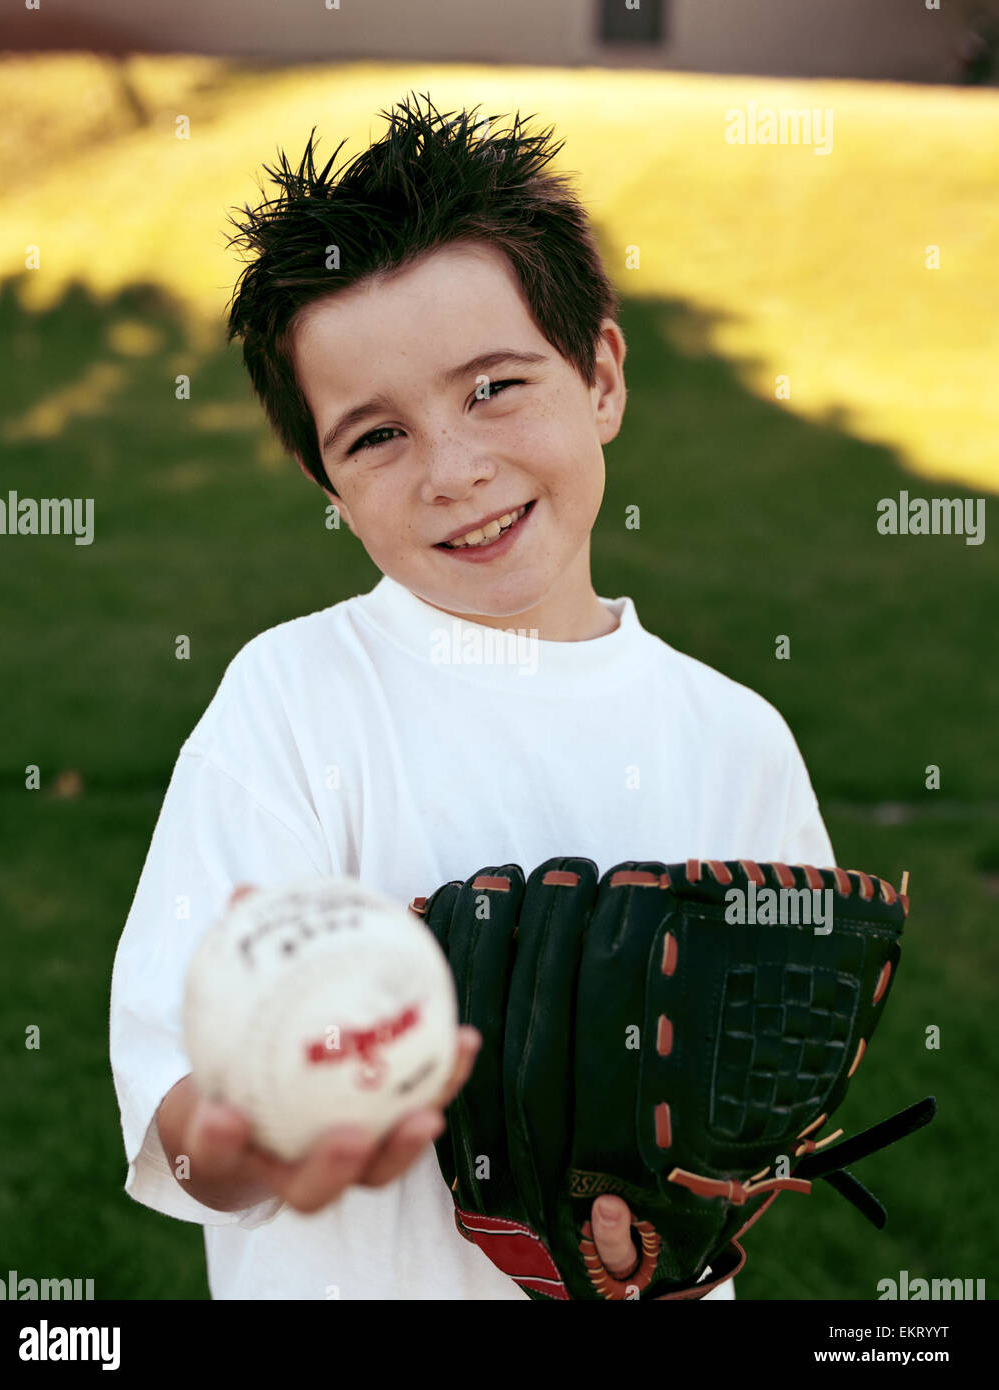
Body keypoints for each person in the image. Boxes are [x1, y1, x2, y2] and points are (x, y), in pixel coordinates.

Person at [110, 93, 833, 1300]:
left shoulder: (734, 741)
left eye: (494, 387)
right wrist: (247, 1140)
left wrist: (672, 1210)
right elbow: (177, 1119)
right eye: (377, 435)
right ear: (323, 480)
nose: (455, 470)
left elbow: (759, 1110)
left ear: (599, 374)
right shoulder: (291, 702)